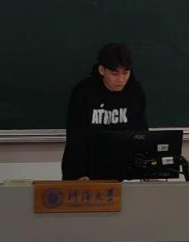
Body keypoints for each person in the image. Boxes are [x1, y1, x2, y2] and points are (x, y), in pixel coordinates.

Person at [61, 42, 149, 180]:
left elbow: (141, 133)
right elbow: (76, 137)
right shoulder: (84, 93)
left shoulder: (135, 92)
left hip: (124, 171)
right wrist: (79, 173)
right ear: (102, 70)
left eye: (125, 73)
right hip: (87, 172)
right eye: (114, 74)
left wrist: (147, 169)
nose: (121, 79)